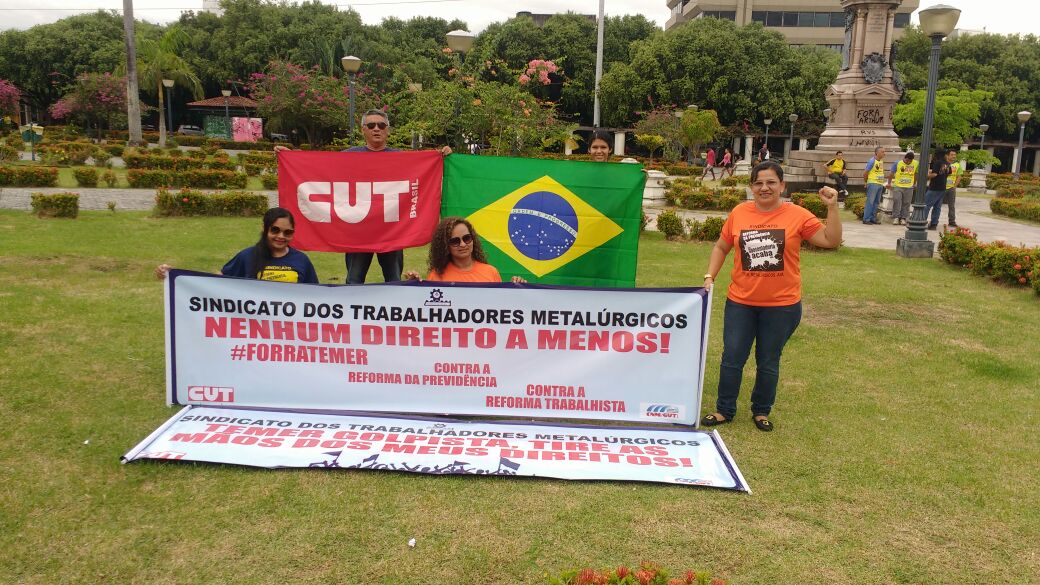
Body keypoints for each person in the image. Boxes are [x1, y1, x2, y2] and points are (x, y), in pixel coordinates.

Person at [700, 161, 842, 432]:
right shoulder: (740, 212)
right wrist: (710, 276)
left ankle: (761, 410)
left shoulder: (797, 215)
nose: (764, 188)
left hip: (782, 306)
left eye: (771, 182)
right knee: (732, 356)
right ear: (752, 186)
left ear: (782, 186)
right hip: (740, 301)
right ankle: (724, 409)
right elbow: (721, 246)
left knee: (768, 360)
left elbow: (830, 240)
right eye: (758, 183)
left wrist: (832, 208)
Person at [276, 110, 450, 284]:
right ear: (363, 130)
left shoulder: (401, 158)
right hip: (357, 234)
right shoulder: (348, 157)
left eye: (381, 125)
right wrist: (290, 157)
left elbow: (423, 175)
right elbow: (319, 171)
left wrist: (442, 157)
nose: (376, 129)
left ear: (387, 130)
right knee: (353, 281)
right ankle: (352, 310)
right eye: (371, 125)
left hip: (392, 232)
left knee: (394, 281)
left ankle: (393, 310)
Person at [155, 207, 318, 284]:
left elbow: (317, 297)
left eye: (287, 232)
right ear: (264, 229)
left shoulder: (301, 260)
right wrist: (174, 275)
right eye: (275, 230)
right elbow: (212, 282)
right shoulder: (247, 256)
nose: (281, 236)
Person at [403, 217, 525, 283]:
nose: (462, 244)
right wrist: (415, 286)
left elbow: (502, 307)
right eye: (455, 241)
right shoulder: (436, 276)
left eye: (467, 238)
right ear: (445, 245)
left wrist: (516, 289)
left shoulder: (491, 272)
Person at [924, 149, 955, 230]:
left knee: (926, 205)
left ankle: (921, 221)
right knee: (937, 207)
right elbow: (949, 173)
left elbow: (934, 174)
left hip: (934, 187)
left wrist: (926, 176)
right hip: (943, 187)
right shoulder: (947, 163)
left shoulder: (938, 162)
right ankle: (934, 224)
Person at [887, 151, 918, 225]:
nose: (908, 162)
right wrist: (889, 183)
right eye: (907, 160)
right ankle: (896, 217)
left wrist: (914, 183)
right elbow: (891, 174)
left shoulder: (916, 163)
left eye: (910, 161)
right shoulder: (897, 163)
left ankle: (903, 218)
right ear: (904, 158)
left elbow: (915, 174)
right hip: (898, 185)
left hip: (909, 186)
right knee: (897, 200)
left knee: (906, 202)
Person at [862, 146, 888, 225]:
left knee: (876, 202)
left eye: (884, 151)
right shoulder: (872, 161)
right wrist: (866, 182)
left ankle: (873, 218)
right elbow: (865, 173)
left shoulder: (881, 161)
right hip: (873, 183)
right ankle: (866, 219)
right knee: (870, 202)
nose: (884, 153)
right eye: (882, 152)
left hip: (879, 184)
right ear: (877, 153)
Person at [945, 154, 962, 227]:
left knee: (951, 206)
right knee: (937, 205)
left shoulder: (958, 165)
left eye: (955, 155)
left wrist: (954, 186)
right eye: (952, 155)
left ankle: (952, 221)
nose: (954, 156)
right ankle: (934, 221)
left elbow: (959, 176)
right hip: (941, 187)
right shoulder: (943, 163)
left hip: (951, 188)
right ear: (947, 155)